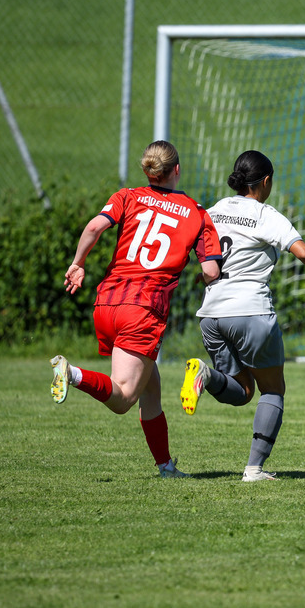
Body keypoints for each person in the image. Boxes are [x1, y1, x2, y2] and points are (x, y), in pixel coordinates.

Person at [178, 150, 305, 482]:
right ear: (266, 181)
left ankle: (205, 375)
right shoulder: (265, 215)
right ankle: (254, 469)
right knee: (272, 391)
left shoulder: (213, 211)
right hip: (250, 311)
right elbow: (304, 253)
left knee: (243, 391)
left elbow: (204, 254)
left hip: (210, 315)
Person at [49, 140, 222, 477]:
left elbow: (95, 227)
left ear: (148, 170)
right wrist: (201, 274)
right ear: (177, 170)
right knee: (124, 397)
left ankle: (166, 466)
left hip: (107, 301)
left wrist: (78, 263)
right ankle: (72, 374)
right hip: (142, 309)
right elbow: (212, 270)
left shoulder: (127, 196)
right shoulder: (196, 212)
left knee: (150, 387)